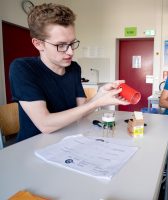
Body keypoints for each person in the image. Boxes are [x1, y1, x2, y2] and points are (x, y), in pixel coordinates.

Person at [9, 3, 129, 142]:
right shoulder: (23, 68)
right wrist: (96, 103)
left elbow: (81, 111)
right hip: (32, 146)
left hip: (68, 141)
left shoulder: (74, 68)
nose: (70, 52)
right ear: (38, 44)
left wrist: (100, 94)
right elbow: (45, 124)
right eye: (61, 45)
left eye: (72, 43)